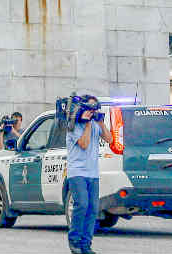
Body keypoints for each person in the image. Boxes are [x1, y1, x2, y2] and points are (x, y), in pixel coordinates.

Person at [66, 95, 111, 254]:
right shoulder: (74, 126)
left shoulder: (94, 123)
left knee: (93, 208)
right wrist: (86, 124)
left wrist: (100, 122)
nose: (93, 111)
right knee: (82, 204)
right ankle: (74, 240)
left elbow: (109, 139)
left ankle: (86, 244)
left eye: (95, 108)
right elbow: (84, 144)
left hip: (92, 173)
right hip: (77, 172)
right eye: (90, 108)